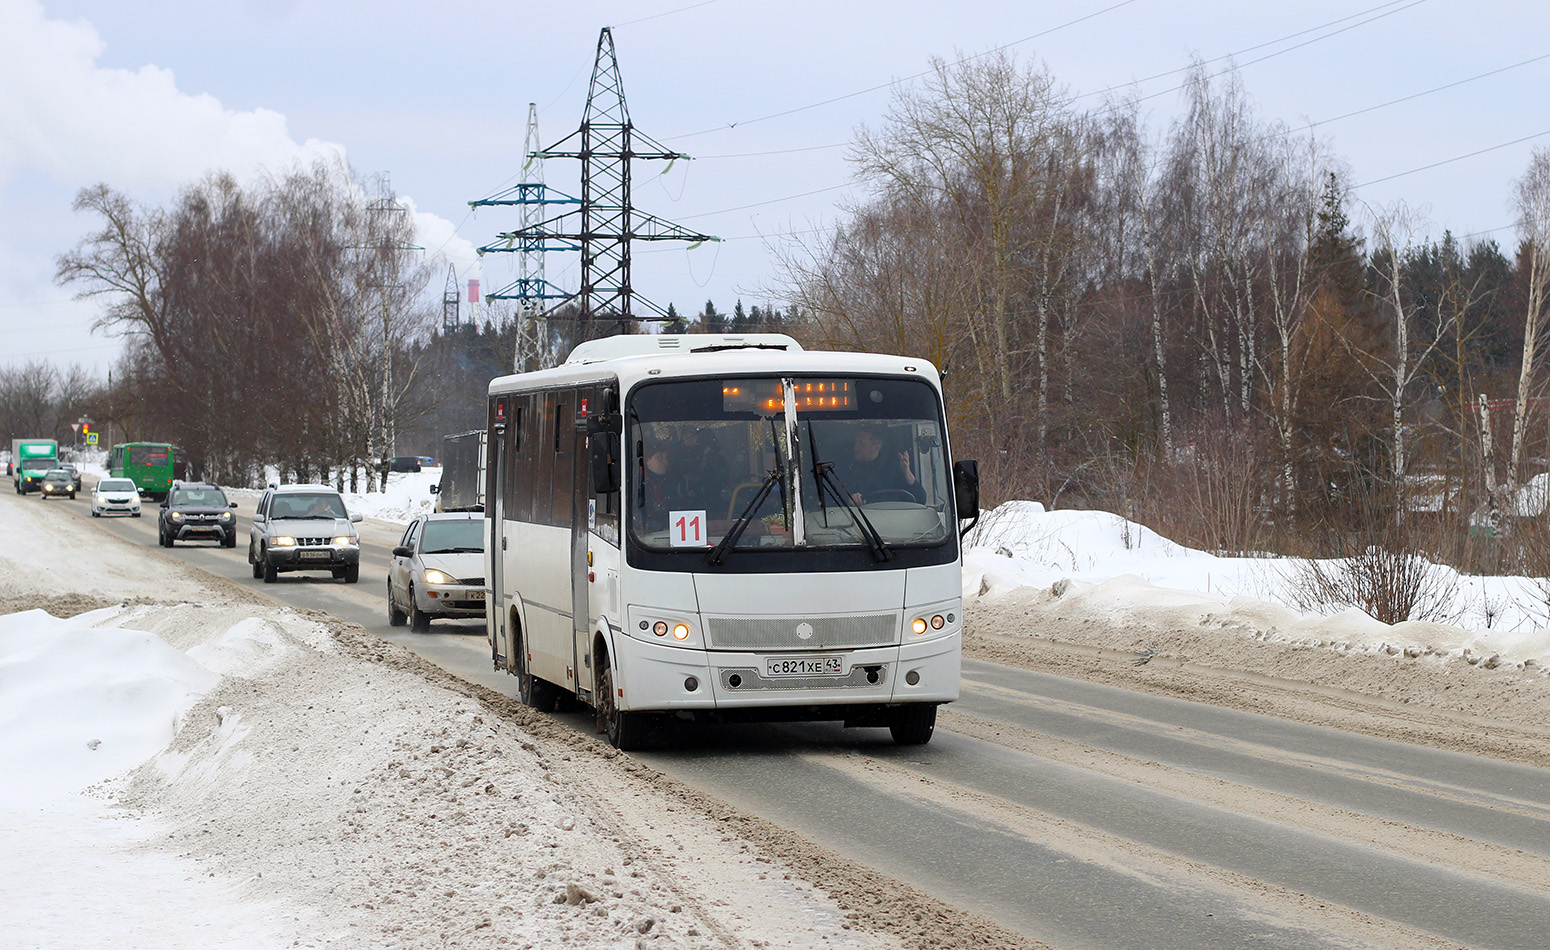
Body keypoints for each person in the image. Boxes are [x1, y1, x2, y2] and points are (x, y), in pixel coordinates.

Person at [842, 426, 922, 505]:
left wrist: (907, 473)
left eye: (862, 443)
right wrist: (850, 498)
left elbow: (920, 500)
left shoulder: (893, 467)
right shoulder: (847, 467)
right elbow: (836, 497)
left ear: (876, 448)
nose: (855, 447)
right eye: (856, 442)